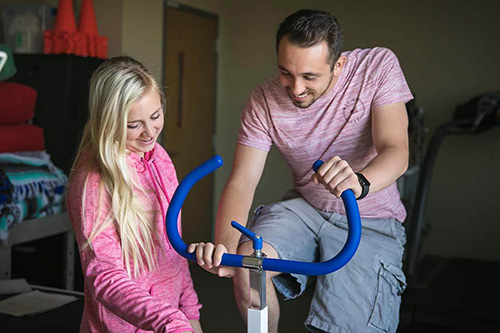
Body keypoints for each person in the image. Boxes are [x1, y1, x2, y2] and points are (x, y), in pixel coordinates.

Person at [190, 9, 412, 333]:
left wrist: (360, 181)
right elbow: (243, 180)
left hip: (370, 217)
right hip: (306, 207)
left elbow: (396, 148)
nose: (295, 89)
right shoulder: (263, 100)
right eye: (285, 73)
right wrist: (225, 248)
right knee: (249, 268)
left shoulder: (377, 66)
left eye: (309, 77)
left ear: (338, 65)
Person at [67, 56, 203, 333]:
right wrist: (170, 321)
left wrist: (189, 314)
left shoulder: (159, 157)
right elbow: (104, 277)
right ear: (109, 122)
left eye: (156, 116)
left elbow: (172, 249)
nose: (150, 133)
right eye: (134, 125)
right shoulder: (93, 181)